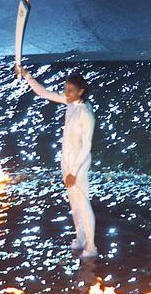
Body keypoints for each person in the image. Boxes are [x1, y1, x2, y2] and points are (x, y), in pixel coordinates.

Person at [17, 65, 97, 258]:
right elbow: (43, 92)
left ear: (81, 91)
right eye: (65, 89)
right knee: (74, 204)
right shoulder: (70, 103)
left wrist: (73, 172)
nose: (65, 93)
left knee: (83, 204)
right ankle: (80, 238)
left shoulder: (86, 113)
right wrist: (26, 75)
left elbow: (86, 146)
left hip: (78, 164)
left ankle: (91, 246)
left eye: (70, 90)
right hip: (67, 162)